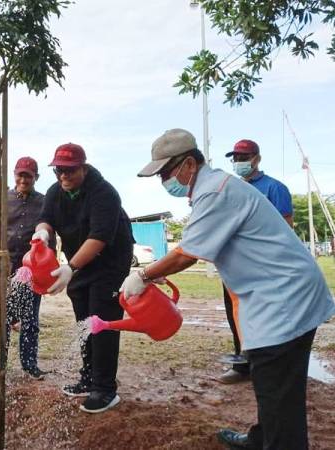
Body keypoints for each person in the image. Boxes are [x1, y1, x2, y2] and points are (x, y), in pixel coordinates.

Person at [125, 128, 334, 450]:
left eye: (167, 171)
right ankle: (262, 438)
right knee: (274, 386)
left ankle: (278, 442)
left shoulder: (215, 192)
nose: (164, 180)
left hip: (283, 299)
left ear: (190, 164)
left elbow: (186, 254)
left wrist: (143, 275)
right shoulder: (214, 188)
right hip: (274, 295)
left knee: (277, 389)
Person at [33, 143, 134, 414]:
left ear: (84, 168)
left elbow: (99, 238)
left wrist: (71, 268)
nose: (63, 176)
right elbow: (45, 219)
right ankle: (88, 376)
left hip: (110, 262)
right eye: (58, 171)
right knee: (83, 319)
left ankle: (105, 389)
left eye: (69, 170)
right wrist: (42, 233)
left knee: (101, 320)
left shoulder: (104, 193)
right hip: (79, 262)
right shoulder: (56, 192)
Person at [219, 139, 294, 384]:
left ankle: (268, 367)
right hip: (234, 265)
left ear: (257, 159)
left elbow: (285, 229)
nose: (239, 162)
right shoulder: (232, 189)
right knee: (236, 316)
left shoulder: (274, 188)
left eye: (244, 157)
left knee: (264, 317)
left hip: (261, 267)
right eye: (236, 158)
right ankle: (243, 366)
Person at [0, 157, 53, 382]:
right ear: (14, 175)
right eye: (19, 175)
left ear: (36, 178)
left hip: (32, 272)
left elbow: (52, 236)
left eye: (28, 176)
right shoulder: (0, 200)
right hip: (0, 270)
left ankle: (30, 365)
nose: (23, 179)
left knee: (30, 320)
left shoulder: (44, 203)